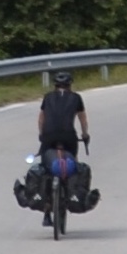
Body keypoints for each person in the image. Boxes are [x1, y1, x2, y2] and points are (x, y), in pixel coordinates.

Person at [36, 71, 89, 225]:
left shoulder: (47, 97)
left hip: (49, 136)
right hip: (68, 137)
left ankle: (47, 209)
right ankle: (71, 192)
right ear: (70, 85)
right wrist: (85, 134)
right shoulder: (76, 98)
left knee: (45, 166)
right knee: (73, 162)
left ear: (55, 85)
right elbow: (82, 119)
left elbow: (41, 118)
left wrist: (42, 134)